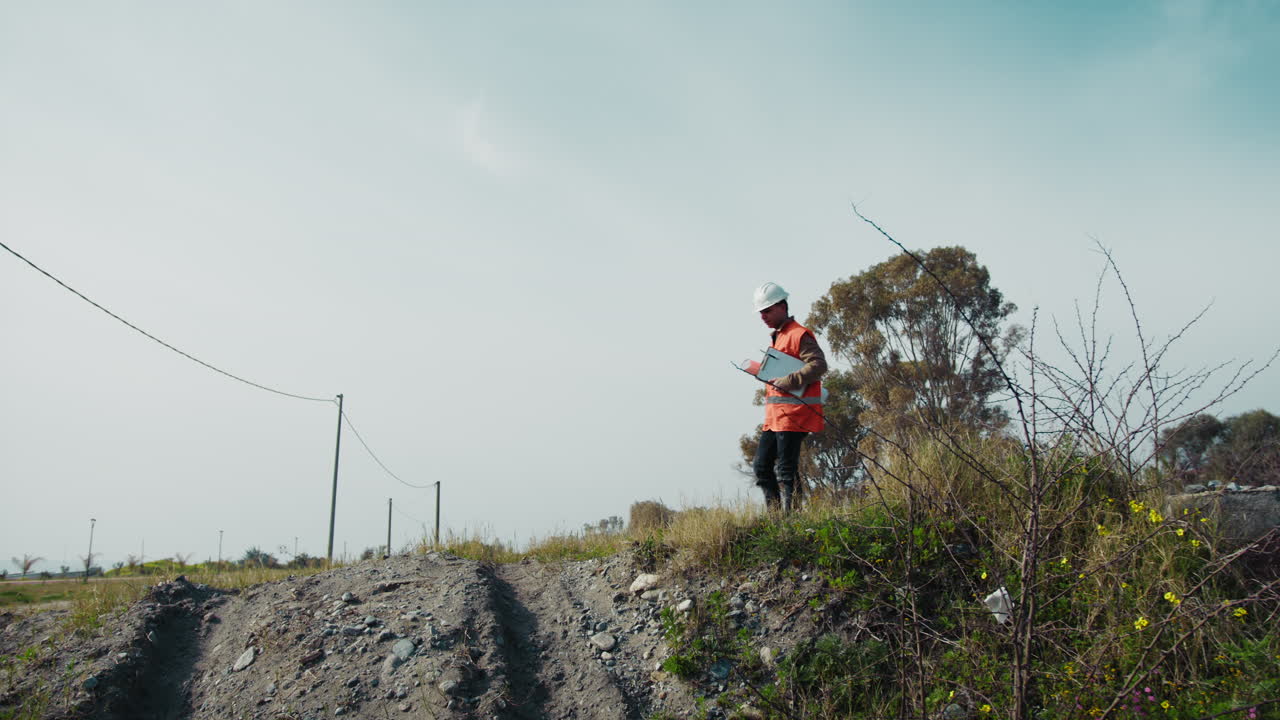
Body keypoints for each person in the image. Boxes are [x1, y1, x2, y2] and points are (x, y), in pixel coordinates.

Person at [751, 282, 827, 512]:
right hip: (775, 417)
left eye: (767, 310)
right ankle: (775, 518)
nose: (763, 316)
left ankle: (790, 521)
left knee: (786, 470)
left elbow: (819, 365)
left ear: (782, 306)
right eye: (761, 312)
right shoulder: (779, 337)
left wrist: (787, 381)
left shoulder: (798, 334)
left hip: (794, 415)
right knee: (762, 466)